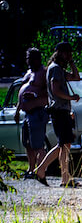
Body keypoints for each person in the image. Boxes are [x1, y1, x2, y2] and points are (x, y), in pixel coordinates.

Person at [32, 42, 81, 188]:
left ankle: (65, 178)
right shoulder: (55, 69)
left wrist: (72, 62)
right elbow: (55, 90)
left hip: (62, 111)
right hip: (59, 111)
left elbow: (76, 77)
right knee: (63, 144)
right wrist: (71, 98)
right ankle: (40, 170)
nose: (68, 56)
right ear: (60, 53)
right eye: (67, 53)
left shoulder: (59, 69)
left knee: (65, 145)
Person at [13, 48, 48, 179]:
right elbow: (21, 93)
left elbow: (48, 93)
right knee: (27, 143)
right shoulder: (28, 72)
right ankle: (31, 169)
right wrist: (17, 110)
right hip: (26, 113)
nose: (28, 61)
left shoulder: (43, 73)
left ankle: (40, 170)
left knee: (38, 144)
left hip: (37, 112)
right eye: (27, 58)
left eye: (30, 58)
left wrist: (35, 95)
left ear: (37, 59)